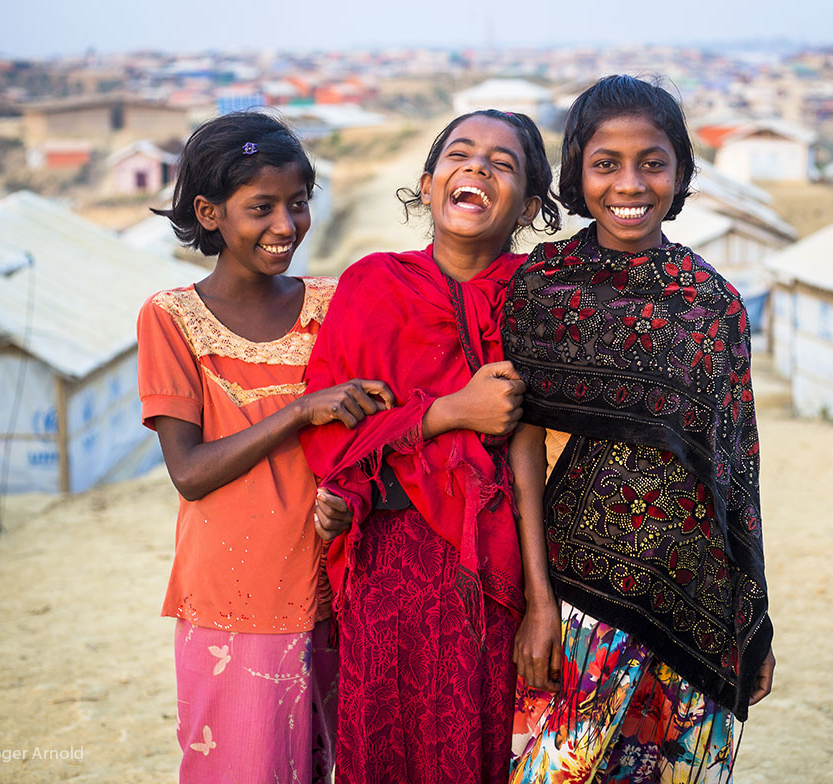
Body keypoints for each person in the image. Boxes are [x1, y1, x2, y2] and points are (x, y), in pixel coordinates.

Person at [502, 75, 776, 784]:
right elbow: (521, 448)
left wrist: (754, 621)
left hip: (694, 607)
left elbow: (736, 470)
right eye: (605, 163)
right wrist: (538, 605)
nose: (630, 183)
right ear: (576, 171)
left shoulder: (712, 304)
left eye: (652, 162)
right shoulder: (542, 286)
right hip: (574, 607)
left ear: (680, 170)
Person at [300, 109, 562, 784]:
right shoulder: (371, 285)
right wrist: (450, 412)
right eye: (460, 154)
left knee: (471, 759)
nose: (476, 167)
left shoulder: (535, 298)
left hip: (487, 583)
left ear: (530, 205)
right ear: (427, 183)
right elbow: (335, 438)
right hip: (385, 573)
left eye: (502, 163)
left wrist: (540, 604)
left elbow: (531, 454)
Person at [136, 111, 393, 783]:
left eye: (298, 203)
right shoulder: (171, 319)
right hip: (234, 598)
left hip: (339, 586)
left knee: (341, 763)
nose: (286, 225)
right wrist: (302, 408)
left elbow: (375, 434)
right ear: (209, 212)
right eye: (261, 208)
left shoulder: (334, 304)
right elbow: (190, 472)